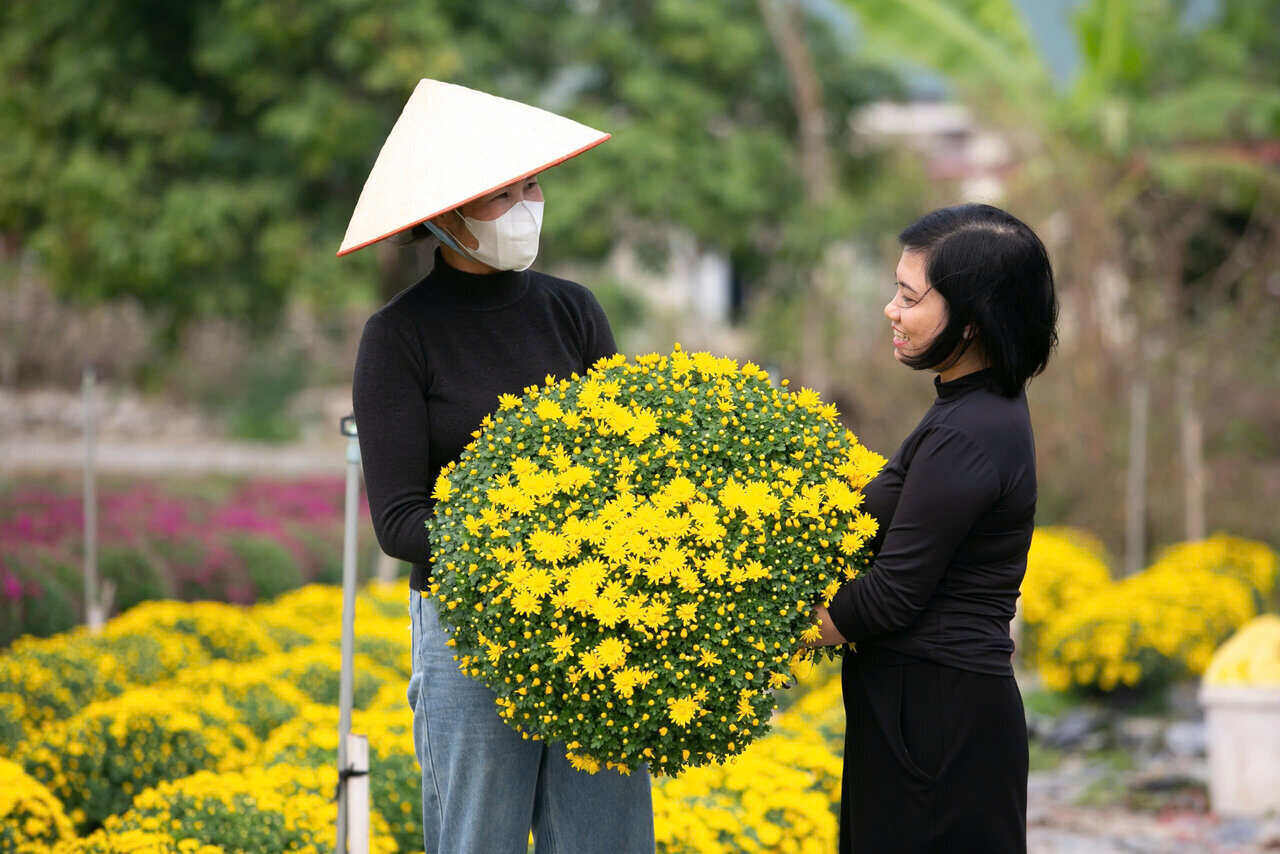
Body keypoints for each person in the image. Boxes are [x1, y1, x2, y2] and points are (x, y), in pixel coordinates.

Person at [344, 79, 654, 853]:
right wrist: (526, 552)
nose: (527, 205)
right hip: (469, 628)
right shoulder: (398, 338)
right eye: (501, 195)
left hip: (595, 619)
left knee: (604, 835)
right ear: (444, 218)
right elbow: (399, 520)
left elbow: (625, 461)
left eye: (531, 185)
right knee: (476, 835)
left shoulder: (572, 310)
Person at [810, 203, 1059, 852]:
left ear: (972, 322)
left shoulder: (971, 433)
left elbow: (893, 592)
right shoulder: (970, 407)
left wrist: (755, 628)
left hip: (938, 723)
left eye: (909, 296)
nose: (891, 310)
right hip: (920, 712)